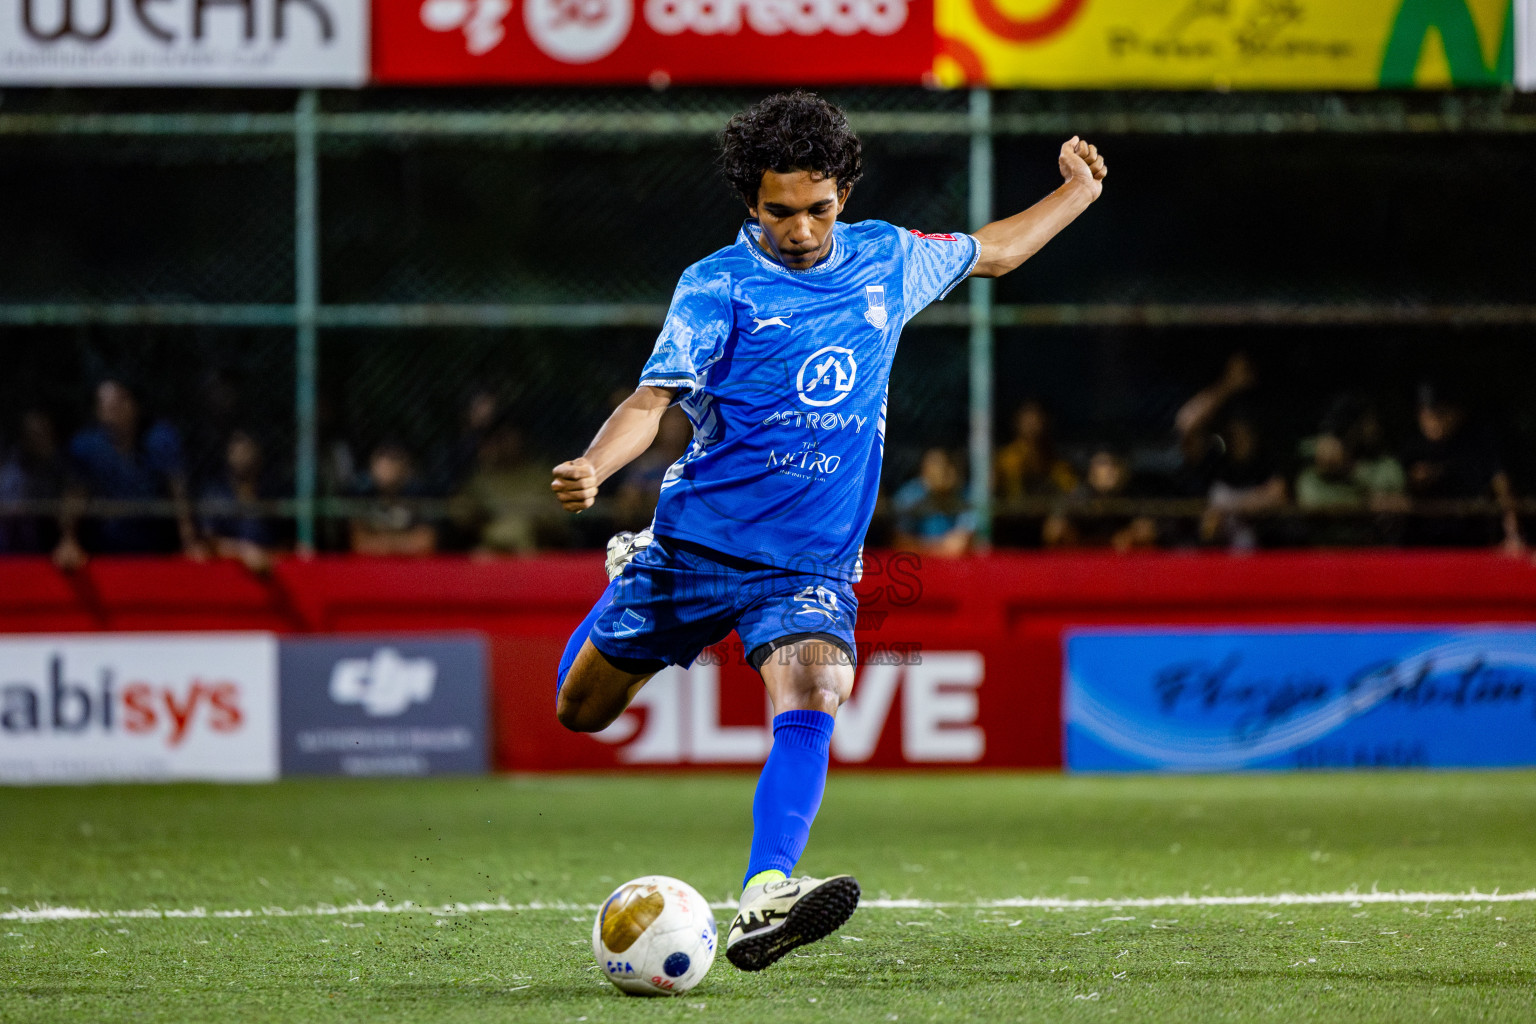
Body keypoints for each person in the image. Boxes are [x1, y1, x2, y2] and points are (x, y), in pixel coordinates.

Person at [547, 92, 1107, 970]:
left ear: (843, 191)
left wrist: (1076, 192)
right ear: (750, 204)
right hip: (696, 547)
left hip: (808, 564)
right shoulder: (716, 286)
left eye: (818, 207)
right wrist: (595, 466)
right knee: (580, 711)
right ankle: (631, 571)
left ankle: (766, 894)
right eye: (779, 211)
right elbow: (650, 403)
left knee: (815, 689)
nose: (801, 228)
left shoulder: (887, 258)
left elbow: (993, 253)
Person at [54, 379, 204, 569]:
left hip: (158, 547)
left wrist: (189, 541)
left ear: (134, 404)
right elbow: (74, 496)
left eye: (120, 402)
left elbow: (178, 491)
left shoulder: (160, 439)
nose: (113, 411)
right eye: (105, 405)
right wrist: (68, 540)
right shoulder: (86, 446)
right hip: (103, 548)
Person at [1402, 384, 1523, 551]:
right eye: (1424, 414)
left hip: (1472, 537)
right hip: (1426, 541)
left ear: (1457, 413)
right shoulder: (1414, 446)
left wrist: (1513, 532)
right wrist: (1416, 480)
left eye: (1439, 413)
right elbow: (1400, 494)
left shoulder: (1477, 442)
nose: (1431, 421)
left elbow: (1501, 484)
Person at [1043, 445, 1158, 552]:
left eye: (1115, 464)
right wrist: (1076, 541)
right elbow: (1053, 529)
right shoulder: (1078, 496)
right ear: (1091, 471)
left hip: (1123, 560)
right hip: (1081, 559)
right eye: (1104, 464)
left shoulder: (1131, 496)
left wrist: (1129, 534)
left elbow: (1147, 529)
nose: (1110, 470)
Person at [199, 429, 280, 573]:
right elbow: (208, 542)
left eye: (246, 450)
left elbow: (286, 542)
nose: (241, 456)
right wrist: (243, 552)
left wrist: (267, 556)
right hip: (224, 576)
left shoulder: (271, 493)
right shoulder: (217, 494)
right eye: (236, 451)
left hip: (270, 570)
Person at [348, 442, 437, 556]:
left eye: (394, 459)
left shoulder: (419, 496)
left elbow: (425, 542)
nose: (387, 467)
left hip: (410, 567)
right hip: (372, 567)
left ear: (405, 467)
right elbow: (359, 544)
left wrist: (386, 544)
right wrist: (401, 543)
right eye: (383, 459)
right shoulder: (363, 497)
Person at [0, 409, 65, 554]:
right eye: (34, 434)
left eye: (45, 433)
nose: (41, 439)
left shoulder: (60, 465)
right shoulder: (12, 471)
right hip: (11, 552)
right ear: (24, 438)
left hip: (48, 550)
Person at [893, 447, 975, 556]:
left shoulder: (967, 496)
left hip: (953, 564)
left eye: (947, 465)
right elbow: (900, 541)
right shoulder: (908, 496)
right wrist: (934, 549)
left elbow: (962, 542)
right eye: (936, 465)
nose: (942, 471)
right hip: (915, 562)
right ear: (924, 470)